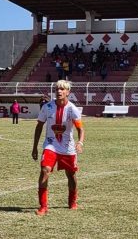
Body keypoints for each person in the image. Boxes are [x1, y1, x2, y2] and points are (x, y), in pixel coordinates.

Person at [32, 80, 85, 216]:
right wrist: (35, 147)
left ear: (68, 92)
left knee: (71, 175)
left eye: (62, 89)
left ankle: (72, 201)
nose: (59, 91)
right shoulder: (47, 107)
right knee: (45, 170)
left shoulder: (72, 109)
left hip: (68, 147)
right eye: (57, 89)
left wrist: (80, 142)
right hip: (51, 144)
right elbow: (39, 127)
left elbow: (80, 128)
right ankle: (43, 206)